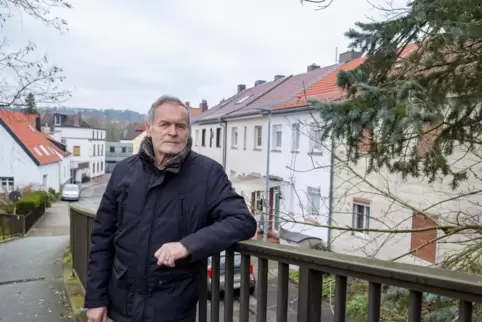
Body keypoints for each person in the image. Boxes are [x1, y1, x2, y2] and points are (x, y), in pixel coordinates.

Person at [84, 95, 257, 322]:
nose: (172, 132)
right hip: (121, 306)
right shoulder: (124, 172)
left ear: (187, 132)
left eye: (180, 126)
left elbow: (242, 221)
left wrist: (187, 245)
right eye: (164, 124)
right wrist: (96, 299)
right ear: (149, 128)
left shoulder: (207, 174)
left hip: (173, 308)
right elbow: (102, 238)